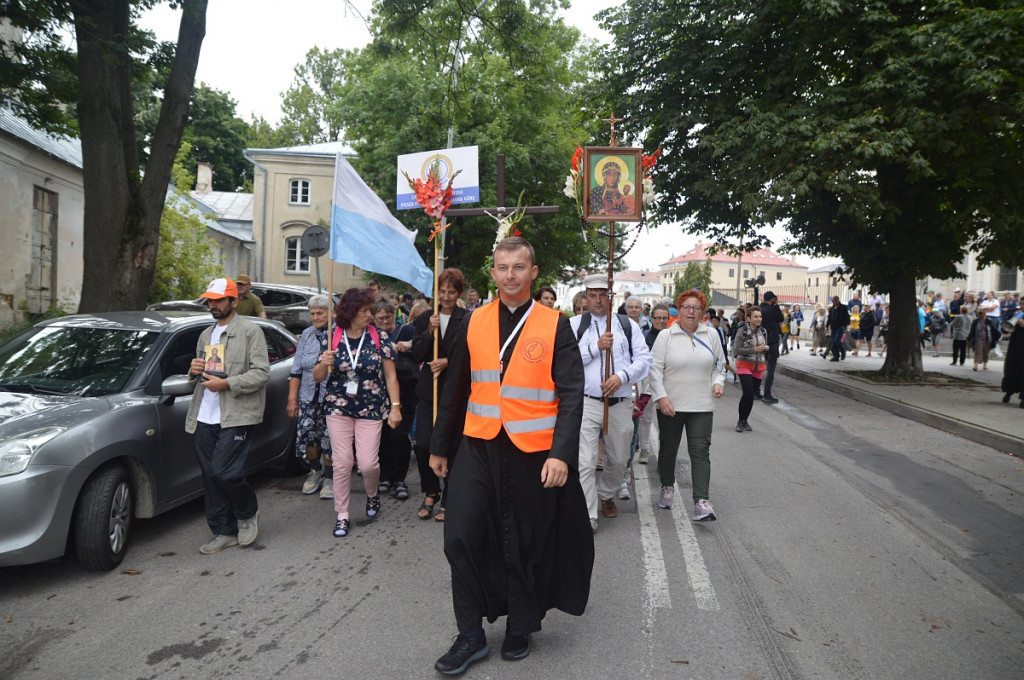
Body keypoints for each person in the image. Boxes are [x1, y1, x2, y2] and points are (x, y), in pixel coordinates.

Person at [428, 236, 593, 674]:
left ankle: (520, 625)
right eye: (503, 267)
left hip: (533, 451)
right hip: (478, 444)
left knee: (522, 539)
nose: (510, 276)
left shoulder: (554, 323)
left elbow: (572, 393)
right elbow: (457, 387)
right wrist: (440, 446)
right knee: (460, 535)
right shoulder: (474, 321)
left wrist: (561, 454)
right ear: (494, 272)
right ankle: (470, 634)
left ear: (533, 272)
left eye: (519, 267)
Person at [185, 278, 270, 555]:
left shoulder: (250, 331)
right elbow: (198, 376)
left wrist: (228, 384)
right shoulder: (205, 334)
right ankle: (223, 531)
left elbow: (261, 373)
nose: (213, 305)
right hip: (205, 414)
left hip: (237, 414)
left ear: (234, 301)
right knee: (210, 476)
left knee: (225, 471)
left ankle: (247, 513)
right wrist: (194, 369)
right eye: (210, 300)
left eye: (219, 300)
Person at [314, 288, 402, 538]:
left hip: (371, 406)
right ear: (351, 312)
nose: (370, 315)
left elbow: (390, 375)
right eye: (365, 311)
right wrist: (324, 363)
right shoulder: (332, 336)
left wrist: (395, 408)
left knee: (368, 463)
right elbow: (318, 377)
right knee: (342, 462)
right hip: (338, 405)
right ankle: (342, 515)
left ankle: (372, 495)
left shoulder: (379, 337)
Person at [570, 273, 652, 531]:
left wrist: (621, 376)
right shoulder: (575, 325)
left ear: (610, 296)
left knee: (618, 460)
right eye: (592, 295)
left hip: (619, 403)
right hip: (586, 403)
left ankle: (606, 494)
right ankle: (588, 514)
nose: (596, 300)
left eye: (602, 294)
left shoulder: (627, 325)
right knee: (585, 461)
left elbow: (644, 360)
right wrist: (595, 347)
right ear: (586, 295)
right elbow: (566, 361)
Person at [649, 290, 726, 519]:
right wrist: (661, 397)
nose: (691, 311)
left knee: (700, 451)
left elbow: (719, 366)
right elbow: (654, 370)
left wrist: (718, 383)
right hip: (671, 404)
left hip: (701, 405)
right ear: (679, 310)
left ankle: (701, 501)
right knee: (668, 449)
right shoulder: (666, 336)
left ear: (703, 312)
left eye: (696, 308)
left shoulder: (711, 334)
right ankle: (667, 486)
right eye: (686, 307)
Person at [411, 268, 468, 522]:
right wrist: (429, 333)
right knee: (424, 444)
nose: (445, 297)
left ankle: (449, 496)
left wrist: (447, 361)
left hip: (454, 390)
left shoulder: (467, 319)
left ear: (459, 293)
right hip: (428, 390)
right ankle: (430, 490)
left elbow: (470, 356)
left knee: (452, 446)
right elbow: (417, 354)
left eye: (451, 292)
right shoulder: (424, 318)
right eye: (442, 291)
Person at [287, 294, 334, 500]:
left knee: (329, 440)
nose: (316, 317)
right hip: (307, 396)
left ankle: (332, 477)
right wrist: (292, 399)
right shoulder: (306, 335)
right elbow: (296, 370)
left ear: (330, 313)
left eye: (320, 312)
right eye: (313, 313)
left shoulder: (338, 334)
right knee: (308, 437)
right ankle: (316, 471)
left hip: (331, 397)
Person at [373, 298, 415, 501]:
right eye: (380, 318)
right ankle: (385, 477)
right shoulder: (371, 335)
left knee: (399, 435)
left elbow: (421, 349)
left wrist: (408, 345)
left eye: (388, 317)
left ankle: (400, 478)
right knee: (381, 436)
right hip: (378, 391)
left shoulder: (405, 330)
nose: (384, 321)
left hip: (405, 388)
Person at [732, 305, 769, 432]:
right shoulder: (743, 331)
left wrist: (766, 348)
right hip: (744, 364)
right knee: (747, 393)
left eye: (760, 316)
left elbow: (764, 347)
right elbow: (736, 349)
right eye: (756, 317)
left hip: (759, 366)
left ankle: (745, 420)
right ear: (748, 318)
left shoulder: (763, 331)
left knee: (752, 394)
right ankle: (740, 420)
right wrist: (754, 349)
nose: (759, 319)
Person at [758, 291, 784, 403]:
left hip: (760, 341)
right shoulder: (772, 310)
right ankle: (767, 393)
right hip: (772, 342)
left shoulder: (758, 309)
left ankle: (756, 391)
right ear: (772, 299)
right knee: (770, 370)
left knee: (759, 367)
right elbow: (780, 318)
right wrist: (777, 305)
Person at [1000, 314, 1024, 407]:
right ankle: (1009, 392)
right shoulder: (1018, 315)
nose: (1023, 306)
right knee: (1012, 372)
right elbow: (1005, 329)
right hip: (1015, 350)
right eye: (1022, 304)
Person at [826, 296, 850, 362]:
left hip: (840, 327)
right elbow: (830, 317)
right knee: (833, 342)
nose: (833, 302)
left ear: (837, 300)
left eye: (834, 301)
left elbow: (847, 317)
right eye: (832, 301)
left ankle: (843, 352)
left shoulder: (843, 307)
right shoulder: (833, 308)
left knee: (837, 340)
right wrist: (827, 325)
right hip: (833, 327)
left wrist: (844, 325)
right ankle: (836, 356)